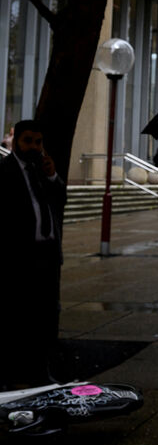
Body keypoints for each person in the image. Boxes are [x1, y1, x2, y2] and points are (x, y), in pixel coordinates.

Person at [0, 120, 66, 390]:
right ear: (15, 141)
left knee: (45, 318)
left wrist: (52, 177)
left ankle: (40, 371)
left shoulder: (42, 169)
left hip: (47, 257)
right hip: (19, 259)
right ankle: (9, 375)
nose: (34, 147)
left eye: (39, 142)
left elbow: (60, 200)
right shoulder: (4, 172)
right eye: (28, 141)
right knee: (16, 319)